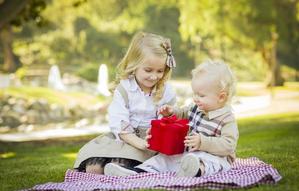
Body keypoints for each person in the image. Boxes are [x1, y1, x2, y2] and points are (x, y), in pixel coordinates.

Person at [104, 59, 239, 177]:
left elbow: (228, 145)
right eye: (195, 94)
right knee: (164, 158)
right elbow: (184, 113)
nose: (195, 98)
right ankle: (137, 171)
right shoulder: (198, 108)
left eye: (201, 95)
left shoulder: (226, 118)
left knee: (207, 162)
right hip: (189, 153)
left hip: (215, 156)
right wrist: (172, 112)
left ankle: (196, 171)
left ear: (221, 97)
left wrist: (203, 142)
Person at [73, 32, 177, 174]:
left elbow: (169, 120)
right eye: (148, 70)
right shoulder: (125, 89)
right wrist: (139, 143)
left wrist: (156, 134)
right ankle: (110, 170)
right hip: (126, 137)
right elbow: (119, 122)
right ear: (134, 65)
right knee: (93, 169)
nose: (154, 76)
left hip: (150, 141)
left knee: (118, 165)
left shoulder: (166, 91)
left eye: (160, 71)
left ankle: (124, 170)